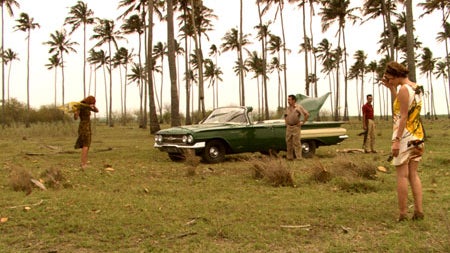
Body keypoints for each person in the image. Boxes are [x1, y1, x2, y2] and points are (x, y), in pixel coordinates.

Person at [382, 61, 425, 222]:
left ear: (396, 75)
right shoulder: (416, 87)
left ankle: (402, 213)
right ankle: (419, 211)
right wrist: (391, 88)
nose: (388, 80)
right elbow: (401, 105)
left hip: (405, 136)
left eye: (389, 78)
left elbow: (403, 116)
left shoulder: (404, 89)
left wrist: (396, 141)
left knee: (402, 175)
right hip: (418, 135)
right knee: (413, 174)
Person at [74, 95, 99, 170]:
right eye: (92, 102)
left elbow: (97, 110)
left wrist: (93, 106)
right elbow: (75, 118)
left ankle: (84, 162)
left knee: (87, 145)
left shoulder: (87, 106)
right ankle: (83, 164)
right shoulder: (80, 106)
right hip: (83, 127)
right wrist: (76, 113)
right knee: (85, 145)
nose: (93, 104)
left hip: (88, 127)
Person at [284, 94, 309, 160]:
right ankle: (289, 157)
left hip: (296, 127)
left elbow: (306, 114)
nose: (288, 101)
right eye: (288, 100)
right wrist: (286, 123)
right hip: (289, 127)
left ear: (294, 100)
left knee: (297, 143)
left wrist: (303, 122)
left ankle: (299, 157)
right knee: (288, 143)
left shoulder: (298, 107)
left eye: (289, 100)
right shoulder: (287, 108)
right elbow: (285, 116)